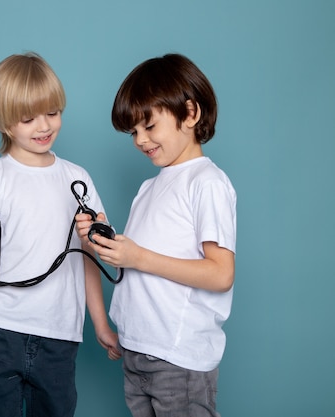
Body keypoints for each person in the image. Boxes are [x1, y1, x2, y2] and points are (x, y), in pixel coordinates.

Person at [0, 52, 121, 417]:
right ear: (3, 121)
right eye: (28, 118)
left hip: (60, 335)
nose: (44, 126)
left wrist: (100, 323)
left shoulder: (78, 180)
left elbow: (87, 257)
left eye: (53, 112)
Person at [76, 53, 237, 417]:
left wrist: (138, 257)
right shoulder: (149, 187)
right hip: (138, 351)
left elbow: (220, 273)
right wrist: (105, 242)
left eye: (149, 126)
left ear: (191, 113)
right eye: (133, 132)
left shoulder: (207, 183)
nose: (140, 140)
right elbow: (137, 263)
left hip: (177, 358)